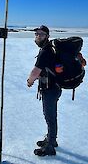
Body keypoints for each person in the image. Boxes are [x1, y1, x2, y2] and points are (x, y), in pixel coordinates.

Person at [27, 25, 62, 156]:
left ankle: (50, 146)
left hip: (51, 89)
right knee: (51, 116)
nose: (38, 36)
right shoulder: (49, 49)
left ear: (47, 36)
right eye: (36, 34)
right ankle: (51, 139)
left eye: (41, 34)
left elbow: (35, 71)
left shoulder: (46, 51)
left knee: (50, 117)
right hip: (54, 88)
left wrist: (30, 81)